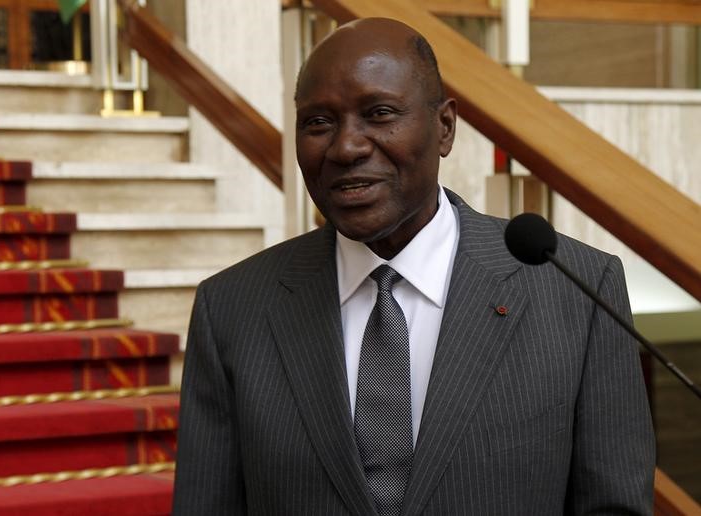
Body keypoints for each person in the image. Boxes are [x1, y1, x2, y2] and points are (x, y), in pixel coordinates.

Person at [172, 17, 655, 515]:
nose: (346, 147)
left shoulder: (576, 290)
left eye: (379, 114)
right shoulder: (230, 309)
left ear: (444, 127)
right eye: (318, 123)